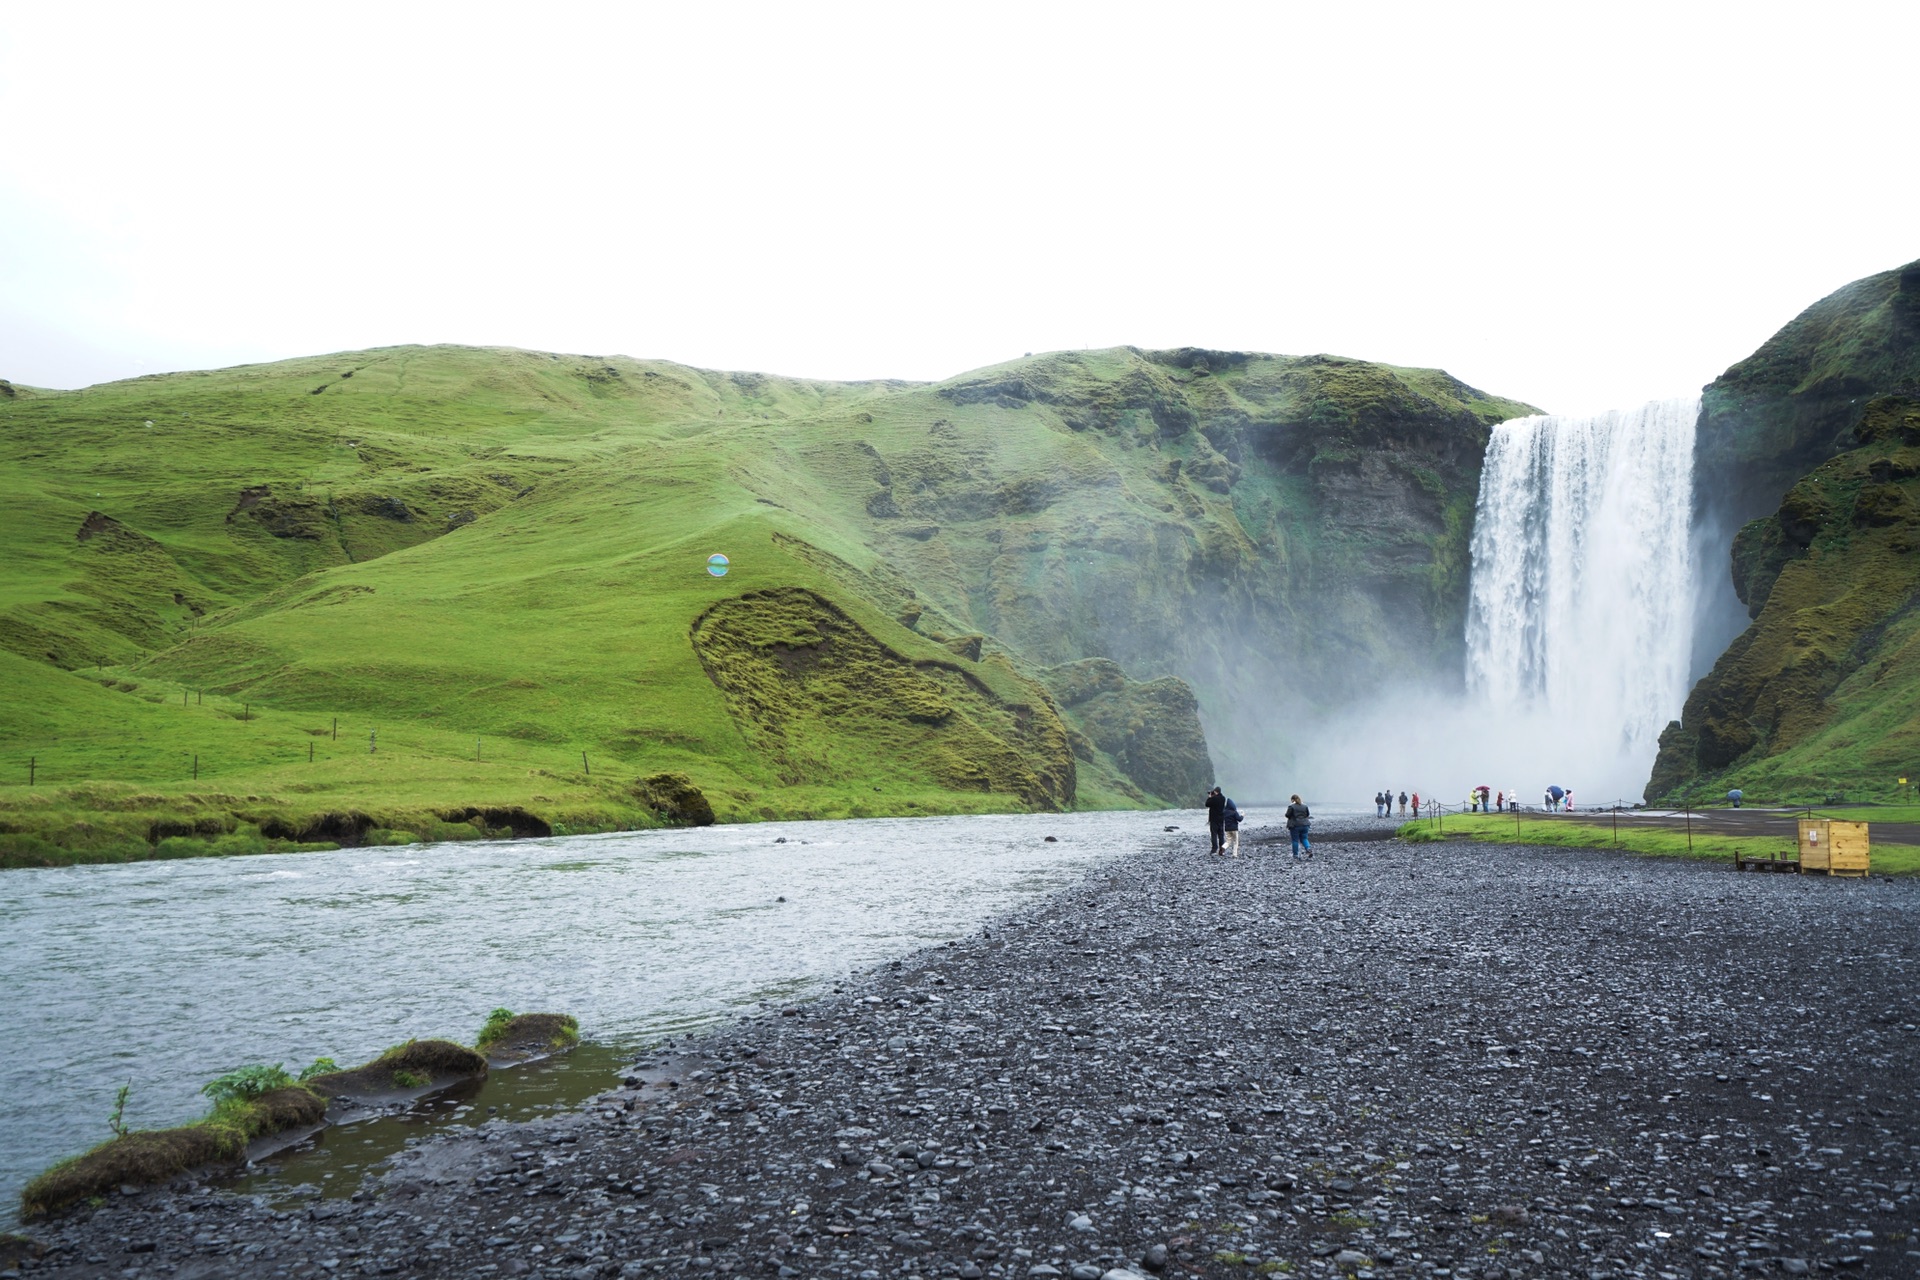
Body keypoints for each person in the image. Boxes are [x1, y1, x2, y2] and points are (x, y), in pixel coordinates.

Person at [1284, 793, 1311, 860]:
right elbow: (1307, 814)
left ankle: (1295, 855)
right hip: (1305, 824)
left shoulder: (1291, 806)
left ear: (1292, 800)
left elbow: (1287, 815)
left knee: (1295, 840)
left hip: (1295, 825)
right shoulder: (1305, 806)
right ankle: (1308, 848)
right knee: (1304, 838)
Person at [1204, 787, 1226, 855]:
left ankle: (1214, 849)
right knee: (1221, 835)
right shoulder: (1223, 798)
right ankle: (1222, 850)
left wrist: (1210, 797)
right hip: (1221, 819)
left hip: (1214, 819)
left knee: (1214, 834)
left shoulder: (1214, 798)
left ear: (1216, 792)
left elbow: (1207, 804)